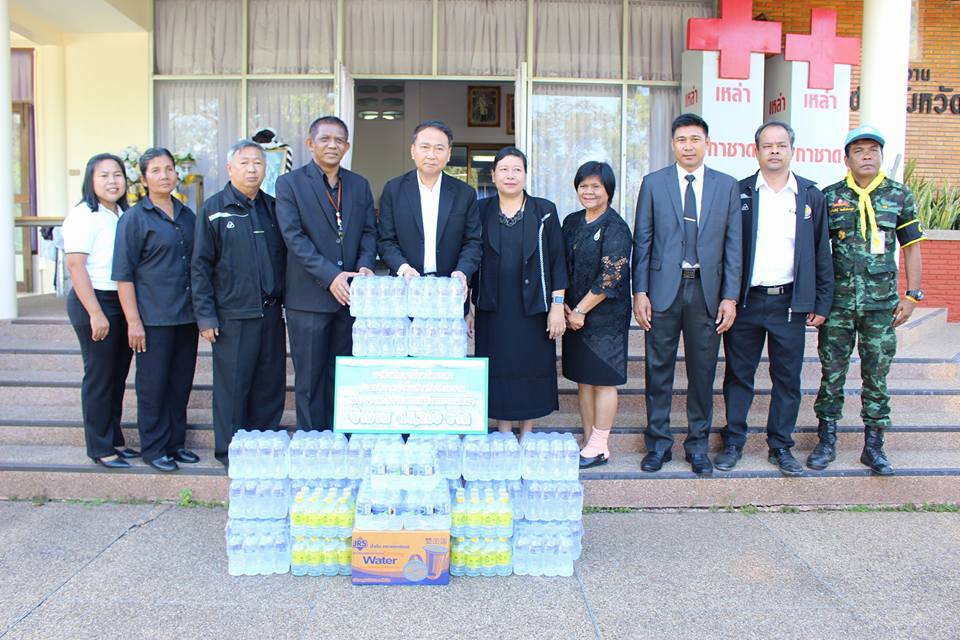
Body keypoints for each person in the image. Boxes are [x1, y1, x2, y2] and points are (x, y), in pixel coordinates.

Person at [717, 121, 834, 476]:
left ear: (791, 149)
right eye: (767, 145)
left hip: (789, 302)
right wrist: (726, 297)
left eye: (781, 145)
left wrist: (821, 301)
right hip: (747, 301)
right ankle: (733, 442)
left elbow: (821, 251)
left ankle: (780, 446)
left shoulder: (810, 195)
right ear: (756, 151)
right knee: (739, 375)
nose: (774, 151)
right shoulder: (739, 192)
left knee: (787, 379)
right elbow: (725, 249)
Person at [812, 125, 926, 475]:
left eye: (873, 150)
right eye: (858, 151)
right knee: (831, 374)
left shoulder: (899, 195)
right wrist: (817, 300)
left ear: (880, 156)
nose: (866, 156)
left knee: (876, 375)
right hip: (838, 305)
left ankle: (874, 447)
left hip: (881, 306)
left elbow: (912, 247)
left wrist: (912, 295)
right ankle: (826, 441)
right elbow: (816, 252)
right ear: (846, 159)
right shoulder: (830, 197)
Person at [632, 113, 741, 475]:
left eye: (695, 139)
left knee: (702, 373)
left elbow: (733, 246)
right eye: (681, 140)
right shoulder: (653, 183)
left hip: (707, 292)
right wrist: (640, 291)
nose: (688, 146)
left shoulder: (726, 186)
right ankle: (658, 444)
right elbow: (643, 241)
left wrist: (730, 297)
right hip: (663, 290)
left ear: (707, 143)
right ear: (673, 144)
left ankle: (697, 446)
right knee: (657, 370)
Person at [275, 116, 378, 430]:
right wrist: (331, 276)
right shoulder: (290, 184)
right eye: (325, 139)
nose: (332, 145)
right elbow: (294, 238)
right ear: (310, 144)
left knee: (344, 374)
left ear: (347, 146)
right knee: (309, 378)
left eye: (339, 140)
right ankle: (312, 440)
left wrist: (365, 266)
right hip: (308, 298)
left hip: (351, 298)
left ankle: (340, 437)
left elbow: (369, 232)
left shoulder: (359, 184)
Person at [192, 140, 287, 468]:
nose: (251, 169)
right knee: (233, 388)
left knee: (269, 385)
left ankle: (264, 449)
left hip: (271, 313)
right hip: (233, 315)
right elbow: (200, 266)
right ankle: (231, 453)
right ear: (230, 168)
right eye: (244, 163)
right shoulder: (215, 209)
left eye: (257, 163)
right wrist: (205, 316)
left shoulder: (273, 208)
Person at [113, 147, 200, 473]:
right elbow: (124, 275)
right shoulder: (134, 219)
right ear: (144, 178)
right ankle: (153, 448)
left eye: (169, 169)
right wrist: (133, 321)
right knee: (153, 387)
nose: (164, 176)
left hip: (186, 317)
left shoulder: (187, 216)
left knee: (180, 383)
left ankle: (176, 443)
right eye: (156, 171)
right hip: (152, 319)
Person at [470, 147, 567, 438]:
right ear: (493, 175)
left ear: (525, 175)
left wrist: (558, 305)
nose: (510, 175)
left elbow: (557, 260)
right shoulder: (480, 211)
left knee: (530, 366)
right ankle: (502, 431)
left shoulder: (544, 210)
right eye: (504, 169)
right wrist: (469, 309)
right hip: (492, 307)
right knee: (497, 366)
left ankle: (526, 431)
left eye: (517, 169)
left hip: (533, 307)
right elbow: (471, 257)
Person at [62, 153, 138, 468]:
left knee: (117, 375)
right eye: (104, 175)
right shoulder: (83, 216)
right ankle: (100, 447)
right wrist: (95, 313)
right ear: (91, 180)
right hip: (94, 300)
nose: (112, 181)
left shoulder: (122, 213)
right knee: (100, 376)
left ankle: (114, 439)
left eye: (117, 175)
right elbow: (75, 266)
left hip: (121, 299)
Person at [561, 161, 633, 468]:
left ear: (608, 190)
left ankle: (601, 445)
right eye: (583, 186)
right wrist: (564, 306)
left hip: (605, 319)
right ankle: (589, 439)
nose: (588, 191)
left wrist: (579, 309)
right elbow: (560, 264)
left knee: (603, 380)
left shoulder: (616, 227)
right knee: (584, 380)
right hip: (573, 316)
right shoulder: (571, 221)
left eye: (596, 186)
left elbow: (611, 277)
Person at [377, 120, 482, 293]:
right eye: (425, 147)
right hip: (405, 287)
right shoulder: (394, 190)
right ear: (413, 151)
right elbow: (385, 240)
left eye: (439, 148)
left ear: (449, 154)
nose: (431, 155)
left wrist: (462, 271)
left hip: (450, 289)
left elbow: (473, 242)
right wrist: (404, 269)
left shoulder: (465, 193)